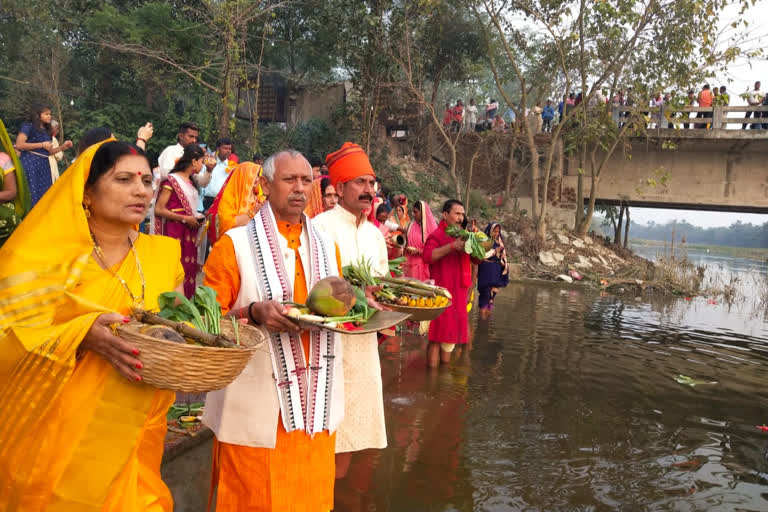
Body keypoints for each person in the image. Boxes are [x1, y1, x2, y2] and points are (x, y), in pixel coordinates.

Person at [0, 139, 184, 510]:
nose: (141, 190)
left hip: (135, 437)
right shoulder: (42, 258)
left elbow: (180, 332)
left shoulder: (163, 255)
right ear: (87, 192)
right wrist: (79, 334)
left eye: (147, 181)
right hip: (53, 448)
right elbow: (8, 337)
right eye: (123, 179)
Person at [201, 150, 344, 511]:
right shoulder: (233, 245)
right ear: (264, 185)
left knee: (309, 497)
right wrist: (252, 312)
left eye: (306, 180)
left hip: (315, 404)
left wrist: (360, 304)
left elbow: (340, 308)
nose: (299, 189)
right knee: (252, 496)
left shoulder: (328, 247)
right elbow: (203, 323)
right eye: (289, 180)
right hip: (256, 404)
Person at [312, 142, 389, 476]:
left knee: (356, 433)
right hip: (328, 342)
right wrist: (355, 295)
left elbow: (383, 284)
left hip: (364, 343)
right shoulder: (319, 227)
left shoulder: (374, 234)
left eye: (371, 183)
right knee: (326, 429)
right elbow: (311, 289)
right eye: (360, 182)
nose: (368, 190)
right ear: (340, 188)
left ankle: (340, 495)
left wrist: (387, 299)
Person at [423, 199, 477, 367]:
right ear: (445, 215)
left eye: (462, 214)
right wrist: (452, 246)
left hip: (460, 293)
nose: (461, 217)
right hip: (442, 294)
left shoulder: (464, 236)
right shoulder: (437, 235)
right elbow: (428, 256)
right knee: (436, 338)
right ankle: (432, 381)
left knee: (451, 338)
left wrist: (477, 244)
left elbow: (476, 261)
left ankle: (442, 378)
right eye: (457, 213)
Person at [153, 144, 206, 298]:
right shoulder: (172, 180)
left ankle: (186, 306)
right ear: (194, 161)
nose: (202, 166)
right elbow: (159, 209)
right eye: (201, 162)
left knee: (188, 270)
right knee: (175, 270)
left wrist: (197, 217)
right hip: (174, 232)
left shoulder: (191, 182)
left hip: (189, 233)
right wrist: (184, 218)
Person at [14, 104, 72, 207]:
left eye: (50, 114)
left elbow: (48, 152)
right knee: (32, 194)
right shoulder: (28, 126)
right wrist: (41, 144)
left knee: (45, 197)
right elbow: (19, 144)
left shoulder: (46, 131)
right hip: (30, 164)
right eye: (46, 114)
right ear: (37, 115)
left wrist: (63, 147)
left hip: (44, 166)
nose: (50, 116)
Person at [209, 162, 265, 246]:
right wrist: (252, 213)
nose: (258, 179)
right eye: (255, 175)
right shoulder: (229, 200)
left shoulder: (259, 199)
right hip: (231, 247)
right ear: (244, 178)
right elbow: (225, 225)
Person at [157, 121, 213, 200]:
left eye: (195, 137)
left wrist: (209, 170)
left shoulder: (194, 155)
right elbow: (166, 175)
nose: (194, 140)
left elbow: (202, 183)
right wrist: (187, 169)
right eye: (191, 136)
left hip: (187, 201)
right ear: (181, 136)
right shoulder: (171, 151)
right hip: (169, 200)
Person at [477, 223, 509, 320]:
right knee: (485, 295)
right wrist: (495, 251)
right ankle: (482, 322)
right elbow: (481, 255)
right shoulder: (484, 241)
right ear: (490, 231)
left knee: (492, 297)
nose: (496, 233)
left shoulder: (500, 242)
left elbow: (503, 258)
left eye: (498, 231)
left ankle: (487, 321)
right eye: (494, 231)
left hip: (495, 271)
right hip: (485, 270)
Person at [404, 200, 438, 281]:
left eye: (415, 212)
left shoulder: (430, 229)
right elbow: (406, 242)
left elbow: (434, 251)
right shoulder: (410, 225)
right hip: (409, 265)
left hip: (423, 267)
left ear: (422, 213)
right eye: (412, 212)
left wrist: (419, 251)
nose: (413, 214)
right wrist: (406, 247)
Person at [202, 137, 235, 211]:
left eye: (229, 149)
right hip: (208, 202)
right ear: (218, 148)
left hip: (224, 203)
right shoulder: (208, 162)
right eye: (225, 148)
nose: (228, 151)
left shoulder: (232, 166)